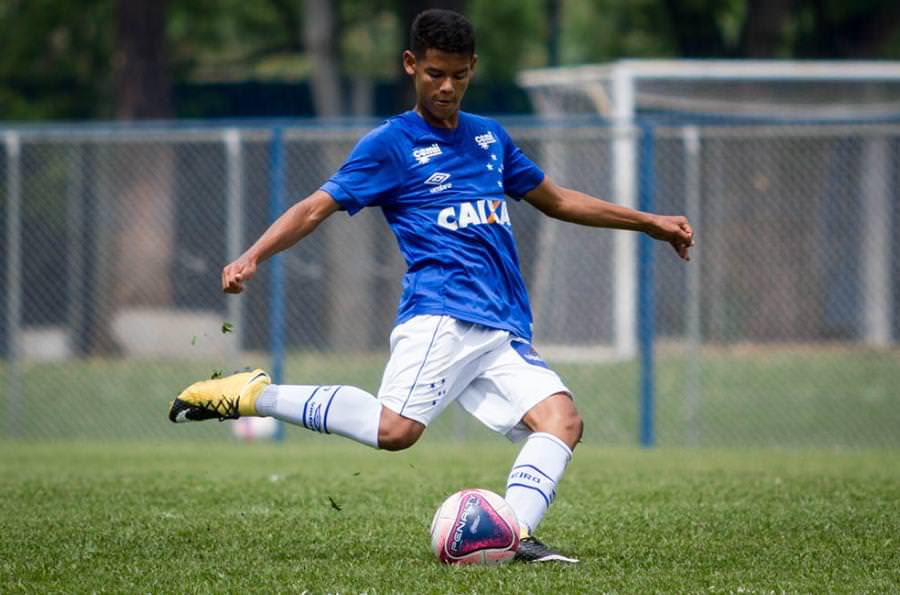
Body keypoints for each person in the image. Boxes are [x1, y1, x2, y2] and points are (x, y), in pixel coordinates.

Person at [169, 9, 693, 564]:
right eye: (435, 74)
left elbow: (558, 199)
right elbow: (314, 208)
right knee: (395, 431)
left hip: (502, 324)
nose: (447, 87)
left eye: (459, 75)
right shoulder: (390, 143)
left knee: (562, 420)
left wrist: (647, 222)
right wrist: (253, 255)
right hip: (441, 312)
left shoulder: (490, 137)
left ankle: (513, 533)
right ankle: (255, 394)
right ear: (411, 65)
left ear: (472, 69)